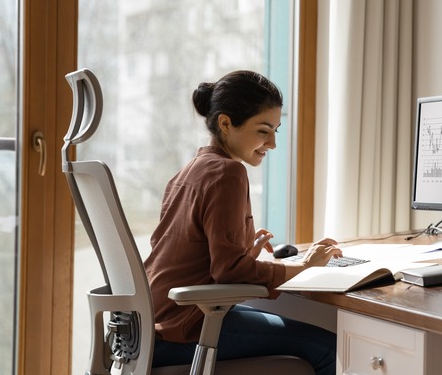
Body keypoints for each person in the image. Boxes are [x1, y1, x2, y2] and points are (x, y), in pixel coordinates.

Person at [144, 70, 341, 374]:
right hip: (185, 328)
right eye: (263, 131)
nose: (273, 143)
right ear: (226, 123)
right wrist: (304, 267)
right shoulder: (228, 173)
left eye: (276, 129)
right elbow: (228, 270)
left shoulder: (188, 172)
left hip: (150, 327)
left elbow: (189, 257)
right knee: (332, 349)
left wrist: (245, 253)